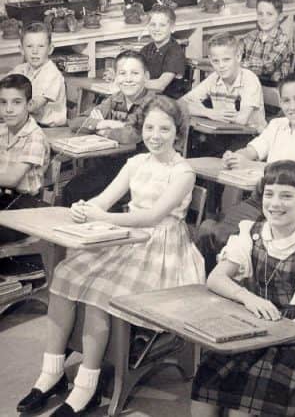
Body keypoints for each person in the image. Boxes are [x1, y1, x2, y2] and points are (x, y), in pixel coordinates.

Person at [18, 96, 204, 416]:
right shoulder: (135, 163)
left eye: (164, 128)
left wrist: (102, 218)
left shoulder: (183, 172)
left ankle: (87, 387)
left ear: (178, 132)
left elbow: (152, 217)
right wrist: (85, 209)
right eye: (149, 127)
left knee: (101, 293)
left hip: (163, 248)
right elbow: (104, 201)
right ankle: (51, 373)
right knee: (65, 273)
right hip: (128, 237)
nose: (155, 135)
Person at [191, 161, 295, 417]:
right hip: (255, 325)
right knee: (203, 394)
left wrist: (263, 332)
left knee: (239, 411)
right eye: (269, 194)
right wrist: (247, 298)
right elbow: (216, 278)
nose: (275, 203)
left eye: (286, 196)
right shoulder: (251, 233)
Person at [194, 72, 295, 271]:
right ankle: (212, 280)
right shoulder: (277, 125)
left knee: (244, 240)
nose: (292, 107)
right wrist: (237, 156)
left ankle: (236, 275)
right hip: (261, 199)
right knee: (214, 232)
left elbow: (293, 172)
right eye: (286, 101)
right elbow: (254, 149)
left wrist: (251, 166)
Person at [63, 50, 156, 203]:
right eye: (122, 73)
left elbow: (131, 135)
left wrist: (102, 131)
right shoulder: (115, 99)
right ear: (116, 77)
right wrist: (103, 123)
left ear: (146, 77)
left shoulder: (151, 104)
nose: (128, 79)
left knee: (83, 194)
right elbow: (77, 122)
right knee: (72, 190)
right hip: (110, 166)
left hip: (140, 172)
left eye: (134, 73)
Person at [183, 32, 267, 156]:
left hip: (250, 138)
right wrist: (209, 113)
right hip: (223, 134)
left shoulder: (249, 79)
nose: (221, 66)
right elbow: (181, 103)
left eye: (226, 60)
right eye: (216, 61)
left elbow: (241, 120)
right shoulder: (214, 78)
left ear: (238, 57)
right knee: (193, 151)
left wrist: (202, 110)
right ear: (210, 60)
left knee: (217, 157)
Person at [0, 74, 50, 246]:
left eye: (16, 102)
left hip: (26, 208)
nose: (8, 109)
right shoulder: (2, 130)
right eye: (3, 102)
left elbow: (12, 179)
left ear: (29, 105)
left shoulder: (35, 136)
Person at [7, 22, 66, 127]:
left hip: (49, 128)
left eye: (41, 46)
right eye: (29, 46)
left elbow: (34, 105)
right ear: (21, 49)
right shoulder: (21, 69)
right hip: (27, 122)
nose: (35, 51)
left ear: (50, 49)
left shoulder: (52, 74)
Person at [238, 0, 293, 84]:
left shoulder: (283, 40)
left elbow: (268, 66)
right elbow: (234, 53)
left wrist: (239, 65)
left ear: (280, 17)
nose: (264, 18)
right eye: (260, 14)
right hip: (249, 84)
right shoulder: (249, 37)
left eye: (269, 14)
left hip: (272, 88)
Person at [140, 4, 188, 98]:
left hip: (169, 102)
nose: (157, 29)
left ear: (172, 28)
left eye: (162, 25)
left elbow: (160, 85)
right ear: (148, 27)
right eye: (153, 25)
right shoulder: (146, 49)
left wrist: (132, 83)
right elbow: (136, 69)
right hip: (149, 97)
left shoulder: (175, 52)